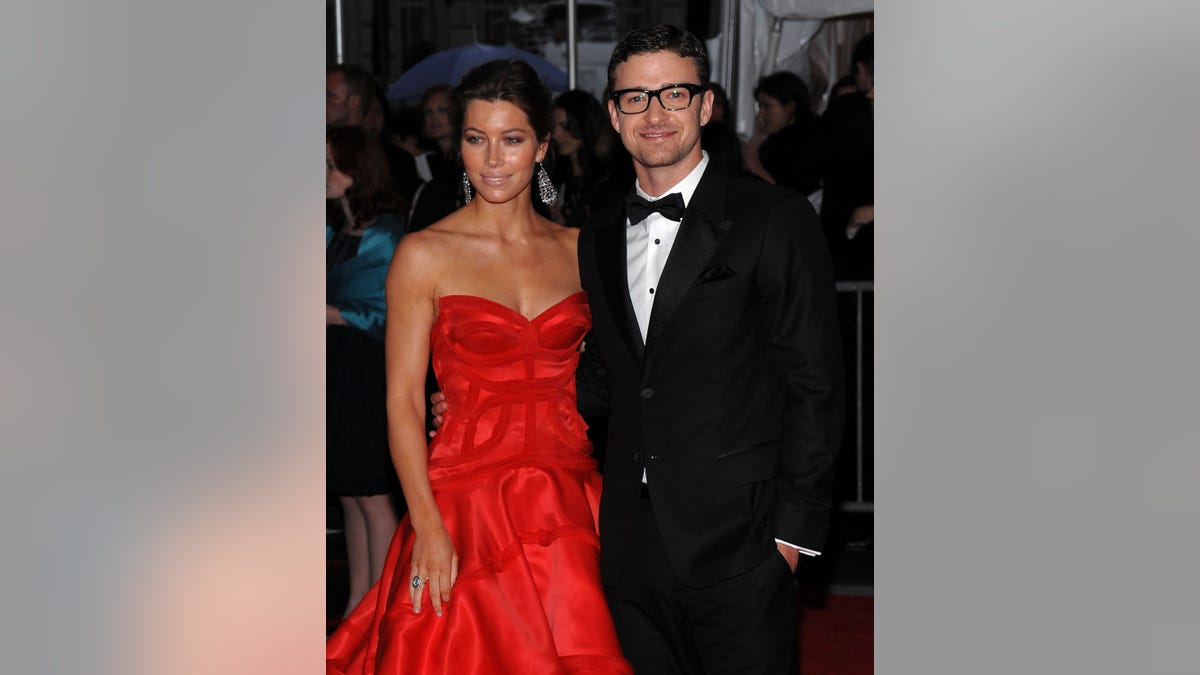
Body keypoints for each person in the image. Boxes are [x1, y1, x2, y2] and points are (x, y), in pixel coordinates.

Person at [435, 23, 845, 674]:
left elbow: (815, 384)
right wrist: (485, 403)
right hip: (627, 537)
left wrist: (790, 538)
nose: (655, 114)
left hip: (742, 539)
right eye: (635, 98)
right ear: (613, 115)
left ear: (707, 105)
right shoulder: (596, 234)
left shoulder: (773, 218)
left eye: (673, 94)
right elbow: (605, 373)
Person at [325, 59, 631, 675]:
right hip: (465, 503)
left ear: (541, 146)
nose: (492, 159)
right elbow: (404, 401)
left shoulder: (582, 249)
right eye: (475, 139)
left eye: (512, 139)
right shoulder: (425, 252)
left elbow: (620, 374)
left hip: (569, 502)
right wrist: (430, 528)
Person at [326, 125, 408, 619]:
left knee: (374, 494)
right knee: (351, 492)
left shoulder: (385, 232)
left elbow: (395, 310)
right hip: (339, 364)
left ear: (357, 172)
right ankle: (359, 603)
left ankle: (384, 610)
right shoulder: (340, 226)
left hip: (369, 367)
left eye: (331, 165)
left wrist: (338, 314)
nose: (325, 174)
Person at [548, 89, 632, 228]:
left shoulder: (610, 178)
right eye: (554, 127)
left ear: (583, 124)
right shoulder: (554, 173)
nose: (556, 135)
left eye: (564, 126)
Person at [741, 70, 823, 199]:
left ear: (790, 107)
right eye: (760, 107)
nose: (761, 115)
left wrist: (755, 166)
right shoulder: (774, 138)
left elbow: (794, 199)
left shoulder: (810, 141)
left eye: (767, 107)